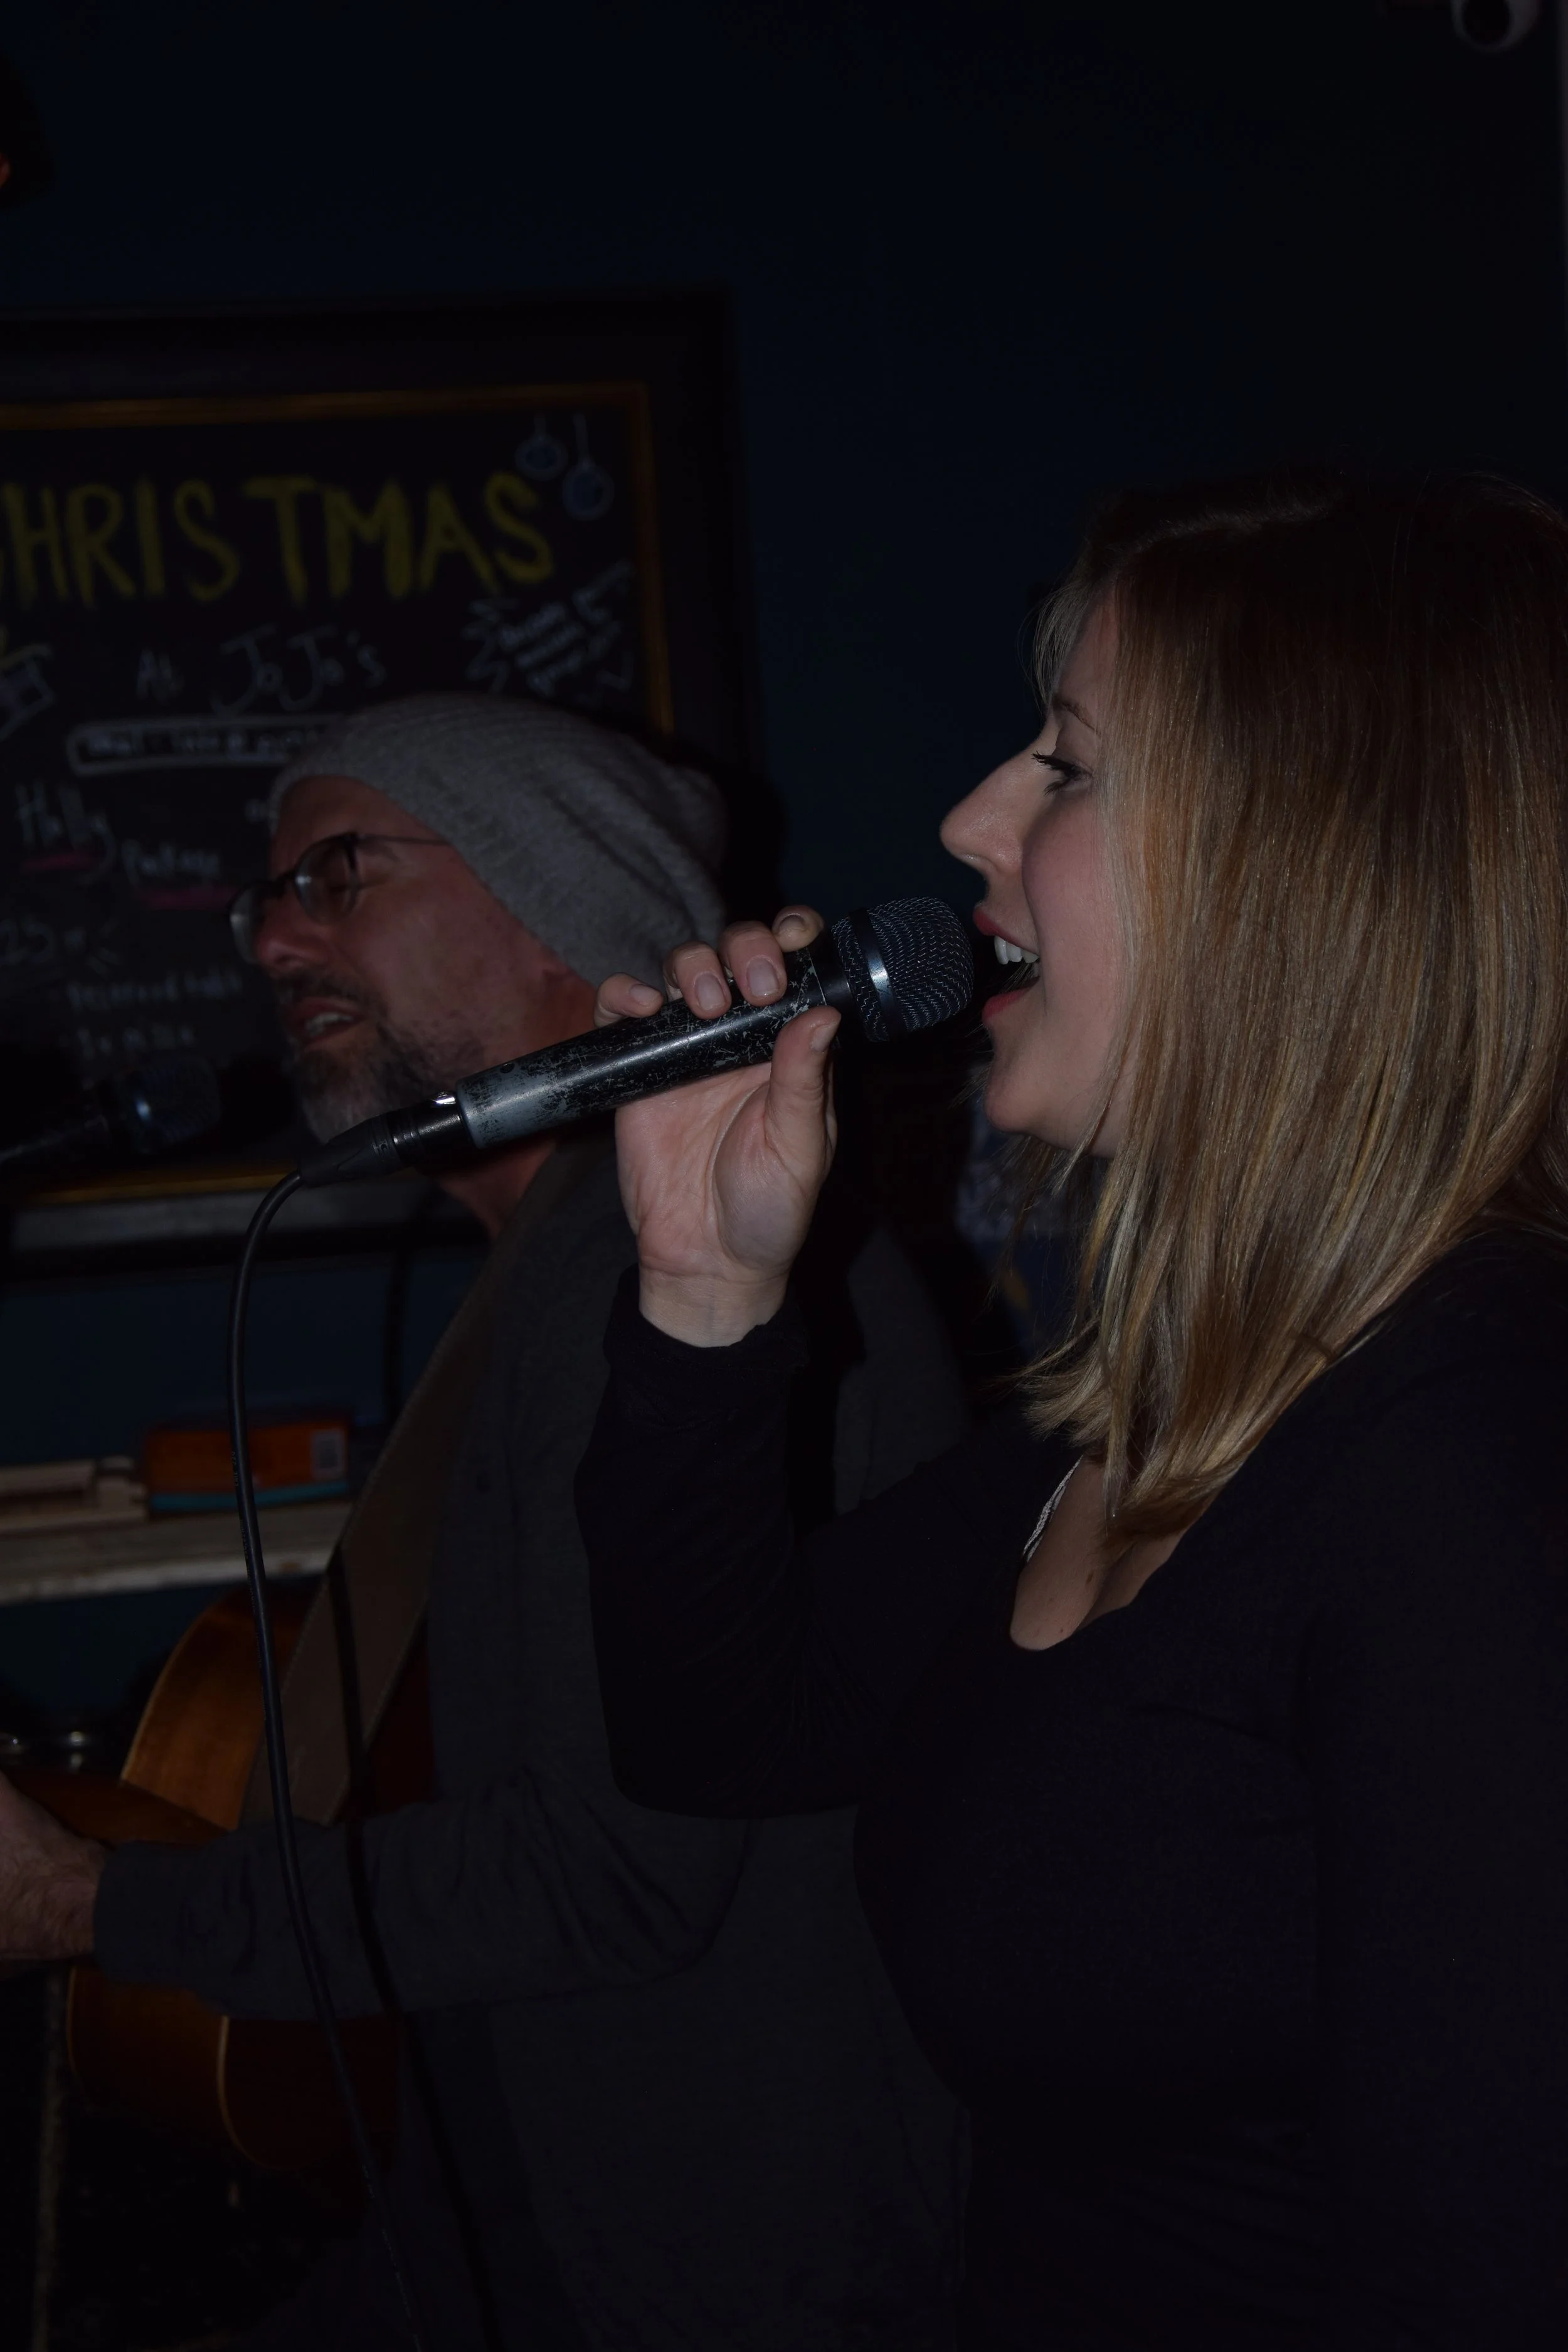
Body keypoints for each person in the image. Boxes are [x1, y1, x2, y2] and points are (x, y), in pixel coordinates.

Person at [576, 474, 1568, 2350]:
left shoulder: (1464, 1467)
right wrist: (704, 1295)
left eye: (1069, 765)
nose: (967, 818)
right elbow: (721, 1719)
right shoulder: (1178, 1400)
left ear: (1313, 866)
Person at [0, 694, 970, 2351]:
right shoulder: (546, 1278)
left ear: (562, 918)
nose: (274, 936)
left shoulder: (648, 1284)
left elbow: (606, 1879)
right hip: (558, 2248)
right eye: (266, 900)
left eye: (340, 871)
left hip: (740, 2285)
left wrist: (99, 1903)